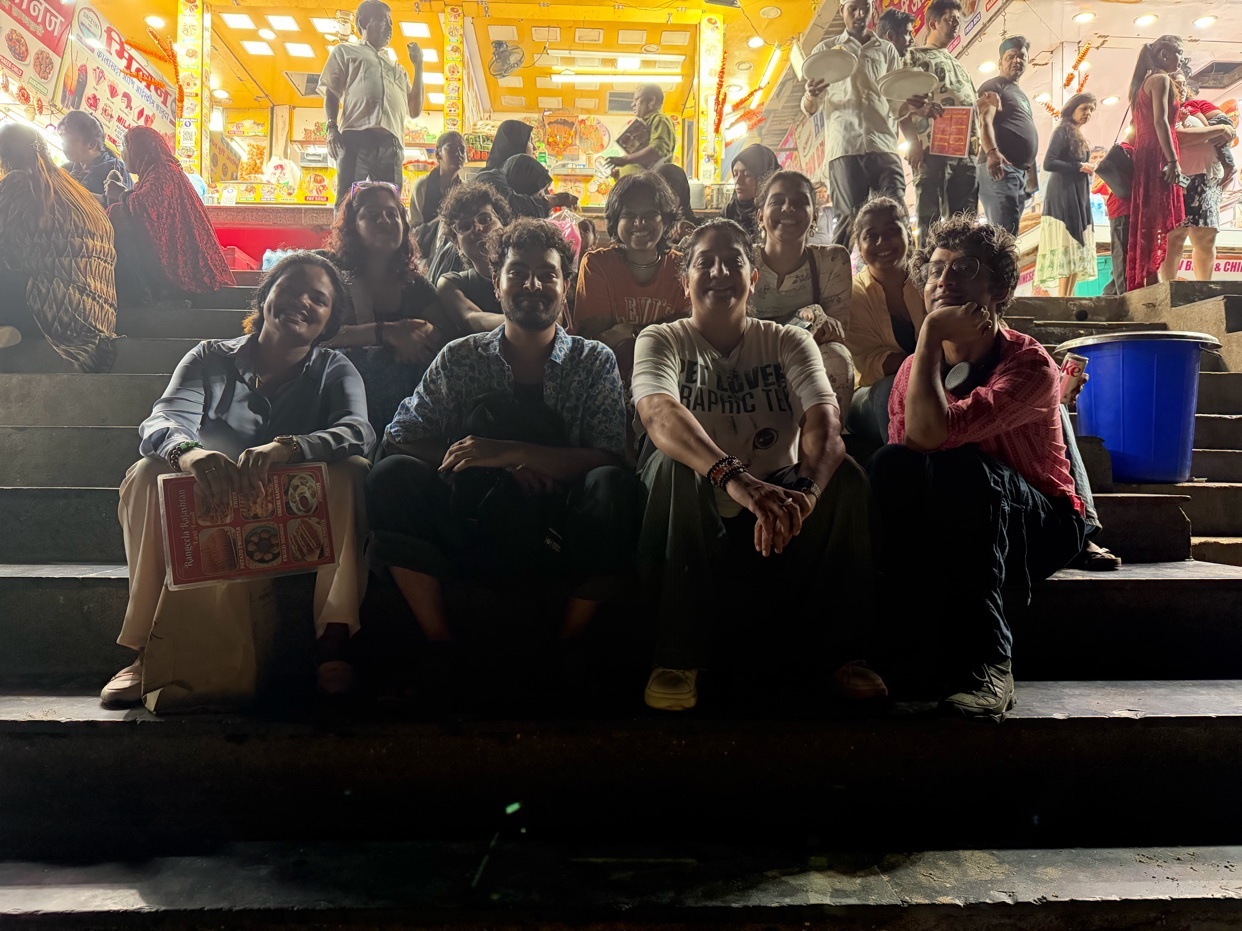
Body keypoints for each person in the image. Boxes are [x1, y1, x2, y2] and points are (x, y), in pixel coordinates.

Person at [99, 253, 375, 707]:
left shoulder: (334, 369)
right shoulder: (209, 357)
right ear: (266, 296)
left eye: (318, 299)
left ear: (329, 321)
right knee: (148, 473)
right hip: (214, 508)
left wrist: (290, 448)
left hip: (298, 519)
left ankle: (334, 640)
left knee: (353, 472)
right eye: (290, 288)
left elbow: (357, 431)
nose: (301, 302)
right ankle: (148, 649)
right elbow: (162, 420)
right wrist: (191, 454)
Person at [632, 219, 882, 712]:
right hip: (695, 509)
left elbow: (825, 424)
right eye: (705, 262)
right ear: (685, 281)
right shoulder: (661, 339)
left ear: (754, 279)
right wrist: (736, 480)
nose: (719, 272)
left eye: (734, 262)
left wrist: (807, 492)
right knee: (673, 465)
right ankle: (676, 656)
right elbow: (660, 414)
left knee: (847, 478)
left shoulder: (789, 341)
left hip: (776, 508)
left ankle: (843, 655)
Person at [367, 218, 641, 651]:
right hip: (472, 516)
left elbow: (608, 456)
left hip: (561, 526)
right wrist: (493, 467)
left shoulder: (593, 361)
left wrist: (512, 452)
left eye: (548, 274)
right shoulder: (460, 358)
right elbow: (401, 436)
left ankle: (567, 645)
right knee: (391, 476)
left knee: (614, 489)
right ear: (496, 283)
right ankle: (440, 643)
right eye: (517, 272)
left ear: (565, 286)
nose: (532, 284)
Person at [871, 217, 1087, 721]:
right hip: (960, 511)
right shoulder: (913, 370)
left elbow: (936, 436)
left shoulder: (1028, 363)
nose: (944, 280)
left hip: (1043, 521)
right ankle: (898, 654)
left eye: (964, 269)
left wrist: (926, 333)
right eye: (936, 270)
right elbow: (911, 455)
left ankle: (989, 662)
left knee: (960, 465)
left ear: (998, 288)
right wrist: (928, 345)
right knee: (888, 465)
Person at [320, 180, 456, 437]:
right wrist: (387, 333)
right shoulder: (325, 271)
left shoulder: (413, 285)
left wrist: (424, 334)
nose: (385, 220)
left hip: (400, 415)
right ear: (352, 226)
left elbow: (448, 337)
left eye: (392, 214)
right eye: (371, 215)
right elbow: (303, 334)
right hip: (329, 400)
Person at [802, 0, 920, 249]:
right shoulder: (826, 51)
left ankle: (907, 280)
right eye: (852, 8)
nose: (859, 14)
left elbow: (896, 102)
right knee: (847, 220)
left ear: (872, 9)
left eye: (864, 8)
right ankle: (836, 283)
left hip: (884, 144)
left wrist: (916, 104)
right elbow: (810, 108)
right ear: (841, 11)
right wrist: (811, 94)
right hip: (845, 147)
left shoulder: (886, 50)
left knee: (896, 212)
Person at [0, 123, 116, 370]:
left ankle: (13, 323)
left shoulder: (18, 183)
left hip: (50, 312)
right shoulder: (73, 188)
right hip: (99, 317)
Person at [751, 169, 856, 417]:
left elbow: (834, 333)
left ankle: (827, 444)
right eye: (777, 201)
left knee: (838, 358)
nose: (788, 208)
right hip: (749, 355)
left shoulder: (832, 261)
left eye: (799, 202)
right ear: (759, 216)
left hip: (803, 358)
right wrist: (806, 318)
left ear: (815, 216)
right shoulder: (742, 260)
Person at [572, 172, 690, 382]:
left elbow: (688, 334)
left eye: (650, 213)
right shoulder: (596, 265)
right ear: (615, 221)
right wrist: (663, 329)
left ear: (665, 219)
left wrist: (633, 331)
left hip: (671, 378)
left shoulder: (683, 267)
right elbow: (598, 338)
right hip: (608, 379)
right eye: (628, 214)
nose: (640, 222)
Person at [104, 126, 235, 305]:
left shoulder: (163, 172)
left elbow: (147, 210)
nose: (122, 153)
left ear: (139, 148)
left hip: (188, 274)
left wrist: (120, 194)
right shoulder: (155, 174)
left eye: (125, 147)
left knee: (118, 215)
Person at [321, 0, 425, 207]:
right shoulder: (346, 52)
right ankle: (344, 240)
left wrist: (419, 66)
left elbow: (414, 110)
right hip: (356, 138)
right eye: (383, 21)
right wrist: (331, 128)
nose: (389, 28)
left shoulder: (398, 68)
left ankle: (386, 240)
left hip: (392, 144)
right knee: (347, 203)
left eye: (391, 24)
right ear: (363, 22)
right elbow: (331, 94)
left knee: (390, 204)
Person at [844, 196, 925, 448]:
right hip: (870, 396)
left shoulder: (930, 284)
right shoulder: (851, 295)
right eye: (871, 236)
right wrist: (929, 363)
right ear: (859, 244)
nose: (882, 243)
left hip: (933, 384)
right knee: (891, 391)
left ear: (908, 236)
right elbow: (868, 365)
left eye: (891, 232)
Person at [904, 0, 980, 244]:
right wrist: (912, 141)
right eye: (951, 20)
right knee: (931, 217)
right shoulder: (913, 57)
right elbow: (899, 102)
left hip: (965, 148)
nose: (956, 25)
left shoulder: (958, 65)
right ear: (933, 23)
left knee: (966, 218)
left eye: (959, 21)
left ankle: (965, 265)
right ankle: (927, 271)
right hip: (931, 147)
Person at [1125, 35, 1186, 291]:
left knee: (1150, 215)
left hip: (1147, 151)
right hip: (1158, 153)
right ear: (1164, 54)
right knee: (1159, 214)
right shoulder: (1160, 80)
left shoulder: (1144, 83)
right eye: (1178, 53)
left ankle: (1151, 277)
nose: (1181, 59)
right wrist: (1172, 159)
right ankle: (1153, 277)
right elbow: (1161, 121)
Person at [1164, 76, 1236, 283]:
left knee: (1205, 237)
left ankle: (1204, 286)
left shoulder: (1197, 106)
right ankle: (1167, 287)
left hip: (1206, 178)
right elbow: (1176, 137)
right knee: (1175, 237)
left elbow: (1227, 130)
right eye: (1174, 84)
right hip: (1176, 179)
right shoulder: (1161, 113)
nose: (1180, 88)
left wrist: (1208, 130)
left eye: (1182, 83)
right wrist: (1211, 131)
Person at [1035, 93, 1099, 297]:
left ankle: (1068, 295)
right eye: (1084, 108)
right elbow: (1049, 162)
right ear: (1073, 108)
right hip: (1063, 194)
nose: (1087, 113)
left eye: (1091, 109)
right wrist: (1079, 166)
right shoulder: (1062, 130)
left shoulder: (1075, 133)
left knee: (1076, 242)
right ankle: (1063, 297)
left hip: (1077, 193)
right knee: (1067, 240)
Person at [976, 36, 1038, 236]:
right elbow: (984, 121)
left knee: (1008, 233)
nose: (1016, 61)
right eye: (1010, 56)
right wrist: (992, 151)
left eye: (1021, 57)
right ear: (1000, 62)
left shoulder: (1018, 93)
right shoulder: (993, 86)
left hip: (1016, 172)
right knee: (1003, 235)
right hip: (999, 168)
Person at [435, 182, 512, 334]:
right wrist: (532, 324)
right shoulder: (451, 284)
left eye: (485, 219)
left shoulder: (529, 274)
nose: (477, 229)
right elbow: (472, 319)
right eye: (464, 226)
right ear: (457, 246)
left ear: (504, 226)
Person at [408, 131, 466, 260]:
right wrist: (441, 220)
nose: (458, 154)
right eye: (451, 148)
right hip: (423, 253)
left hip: (453, 256)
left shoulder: (464, 190)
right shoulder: (422, 185)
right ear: (438, 153)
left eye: (462, 149)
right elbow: (414, 228)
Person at [57, 110, 128, 207]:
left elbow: (119, 210)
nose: (63, 144)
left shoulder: (116, 170)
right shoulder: (65, 170)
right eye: (62, 138)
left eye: (68, 139)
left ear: (92, 144)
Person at [605, 84, 677, 177]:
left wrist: (625, 160)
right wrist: (619, 173)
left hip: (647, 185)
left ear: (652, 100)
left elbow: (657, 150)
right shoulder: (645, 123)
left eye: (636, 99)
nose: (632, 104)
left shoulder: (659, 119)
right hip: (636, 184)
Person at [1092, 148, 1132, 296]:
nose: (1097, 159)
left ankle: (1114, 293)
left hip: (1123, 208)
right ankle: (1119, 294)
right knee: (1121, 255)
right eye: (1094, 157)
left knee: (1122, 255)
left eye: (1101, 156)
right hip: (1120, 209)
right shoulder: (1126, 150)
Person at [720, 143, 779, 241]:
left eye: (747, 174)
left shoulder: (778, 215)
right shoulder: (729, 212)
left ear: (765, 178)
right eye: (735, 174)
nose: (738, 181)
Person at [656, 162, 699, 243]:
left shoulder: (695, 229)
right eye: (660, 195)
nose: (665, 201)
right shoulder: (647, 229)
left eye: (671, 194)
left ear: (682, 196)